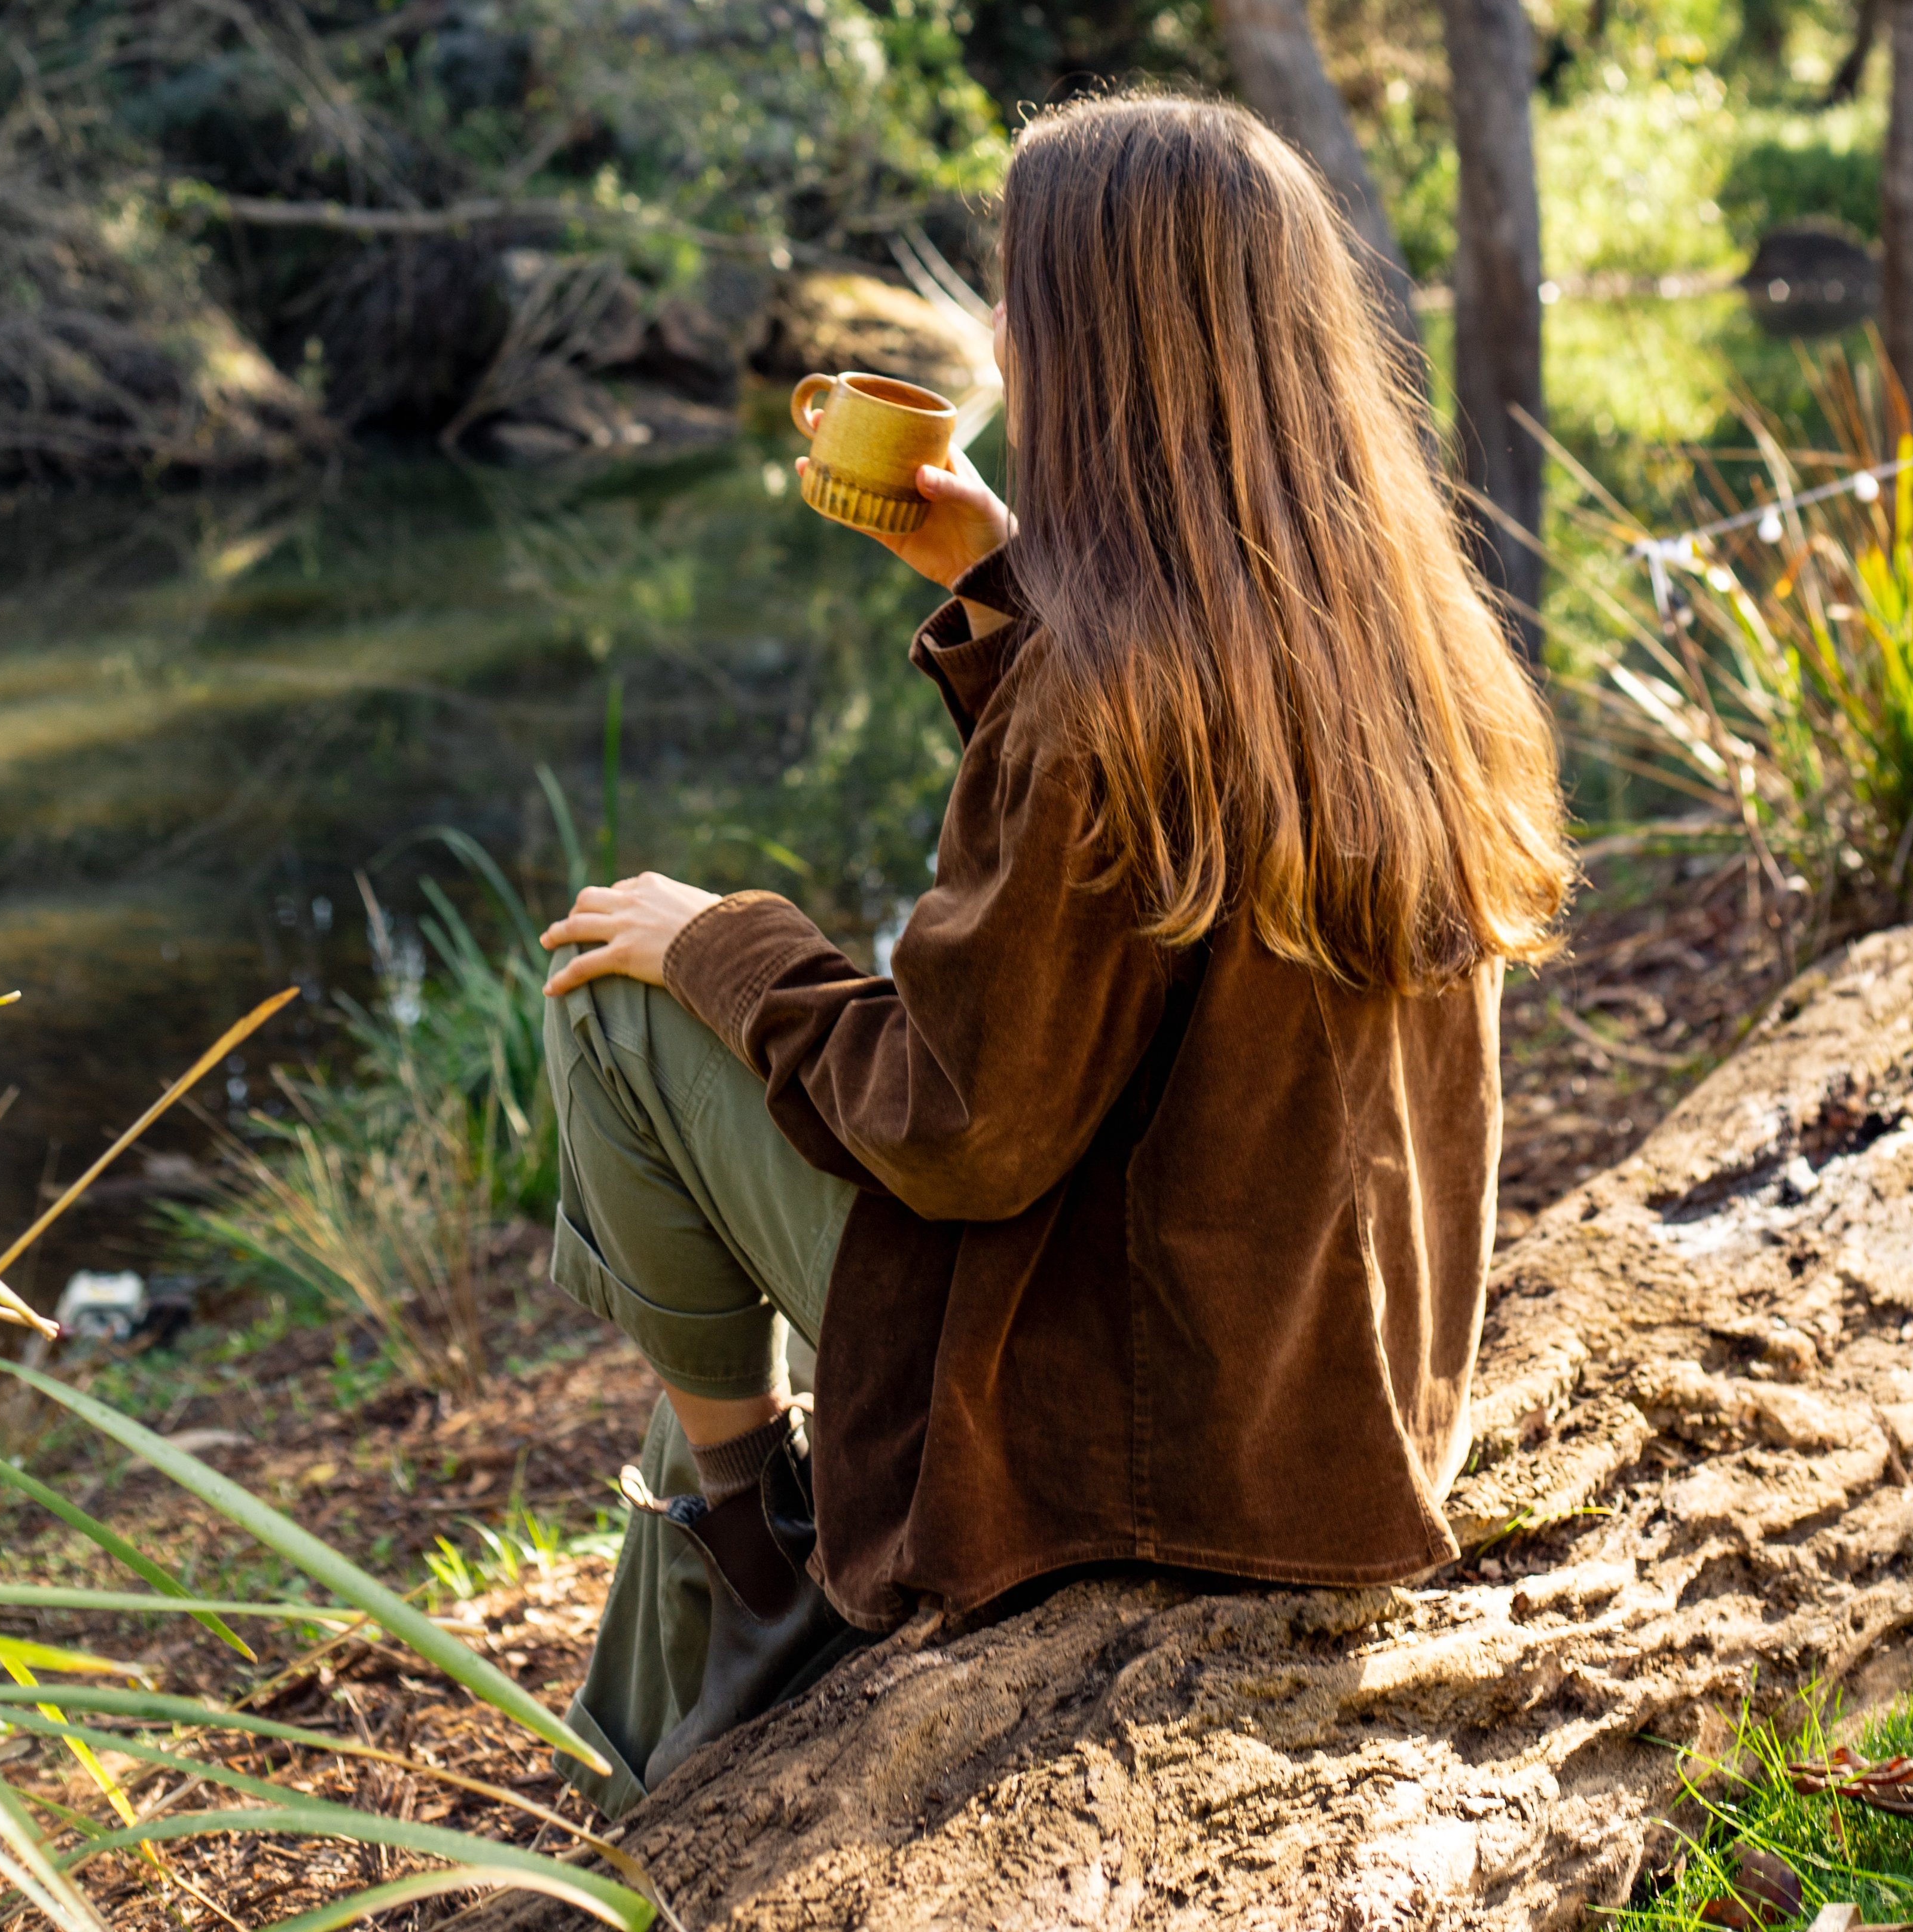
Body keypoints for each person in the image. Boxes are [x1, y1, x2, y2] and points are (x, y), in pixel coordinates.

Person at [539, 94, 1570, 1811]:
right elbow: (1150, 955)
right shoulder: (1405, 632)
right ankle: (733, 1551)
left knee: (615, 1001)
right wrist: (1005, 584)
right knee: (708, 1370)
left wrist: (730, 949)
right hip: (1333, 1388)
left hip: (1150, 1422)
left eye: (1023, 293)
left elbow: (963, 1125)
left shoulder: (1107, 697)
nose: (1000, 329)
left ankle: (756, 1561)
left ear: (1098, 340)